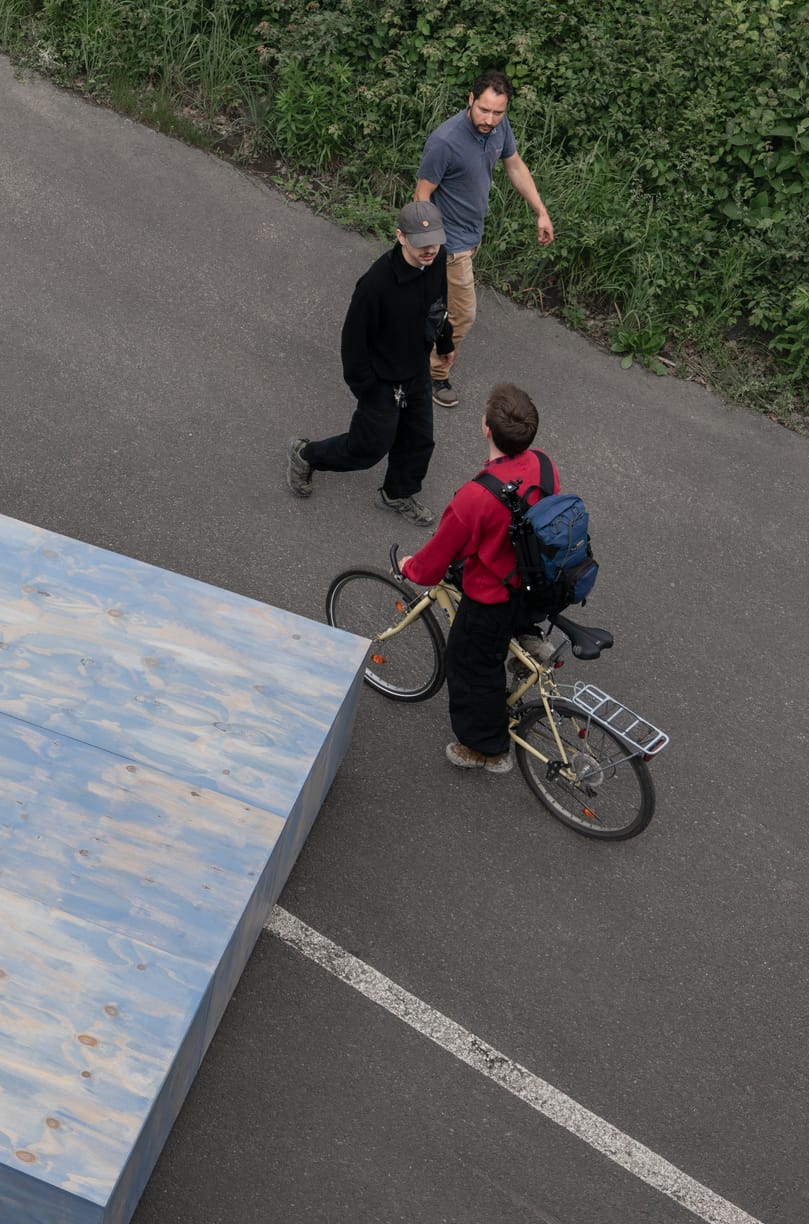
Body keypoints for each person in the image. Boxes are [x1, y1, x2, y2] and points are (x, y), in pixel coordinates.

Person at [397, 383, 551, 772]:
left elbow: (434, 564)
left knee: (470, 668)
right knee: (504, 632)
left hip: (493, 595)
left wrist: (410, 568)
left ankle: (486, 749)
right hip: (535, 579)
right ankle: (530, 639)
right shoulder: (542, 464)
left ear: (486, 429)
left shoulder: (475, 497)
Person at [287, 199, 456, 527]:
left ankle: (397, 493)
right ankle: (305, 455)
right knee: (367, 448)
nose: (430, 250)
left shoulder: (437, 262)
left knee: (419, 438)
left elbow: (439, 302)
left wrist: (444, 340)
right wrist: (367, 387)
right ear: (401, 236)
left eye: (434, 242)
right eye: (422, 244)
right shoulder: (375, 285)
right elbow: (352, 343)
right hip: (381, 379)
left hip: (416, 367)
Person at [414, 71, 555, 410]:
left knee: (434, 305)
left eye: (498, 113)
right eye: (484, 111)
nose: (489, 119)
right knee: (464, 314)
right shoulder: (445, 141)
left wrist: (541, 210)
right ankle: (432, 375)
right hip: (450, 244)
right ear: (470, 100)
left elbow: (515, 165)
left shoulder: (497, 129)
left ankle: (407, 344)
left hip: (471, 236)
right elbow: (422, 196)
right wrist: (430, 247)